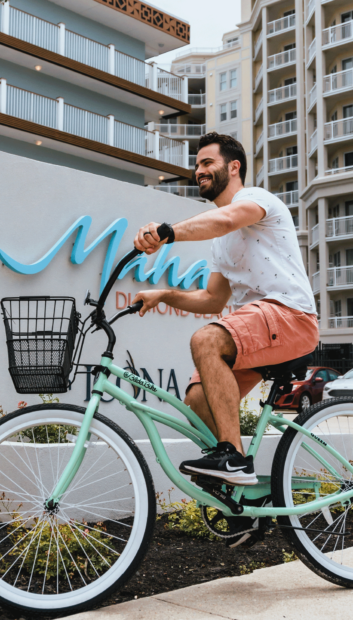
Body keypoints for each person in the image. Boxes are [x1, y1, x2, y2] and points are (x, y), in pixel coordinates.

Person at [133, 132, 319, 543]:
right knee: (198, 402)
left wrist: (167, 232)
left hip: (290, 316)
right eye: (196, 165)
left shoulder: (255, 200)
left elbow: (226, 219)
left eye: (207, 163)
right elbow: (214, 298)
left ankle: (233, 460)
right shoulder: (220, 244)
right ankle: (246, 502)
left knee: (206, 341)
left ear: (232, 167)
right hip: (259, 325)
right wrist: (163, 294)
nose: (199, 171)